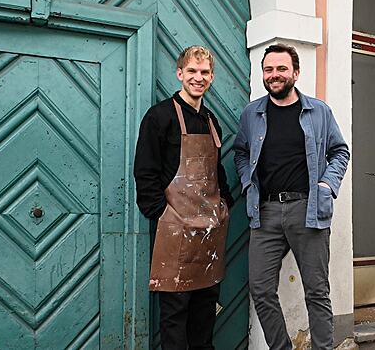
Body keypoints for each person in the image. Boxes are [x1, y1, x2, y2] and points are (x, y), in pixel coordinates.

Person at [233, 43, 350, 349]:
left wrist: (327, 184)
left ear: (295, 73)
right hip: (266, 211)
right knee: (260, 288)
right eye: (269, 69)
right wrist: (248, 183)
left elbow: (340, 151)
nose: (275, 75)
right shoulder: (252, 114)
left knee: (316, 291)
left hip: (308, 209)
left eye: (282, 69)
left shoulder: (318, 111)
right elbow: (241, 153)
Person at [134, 45, 233, 350]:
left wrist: (224, 208)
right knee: (175, 315)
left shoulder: (210, 120)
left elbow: (217, 171)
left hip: (209, 234)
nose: (198, 78)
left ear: (212, 77)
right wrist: (162, 215)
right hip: (175, 231)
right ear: (180, 74)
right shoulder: (160, 116)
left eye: (204, 72)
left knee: (205, 312)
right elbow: (145, 172)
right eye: (192, 71)